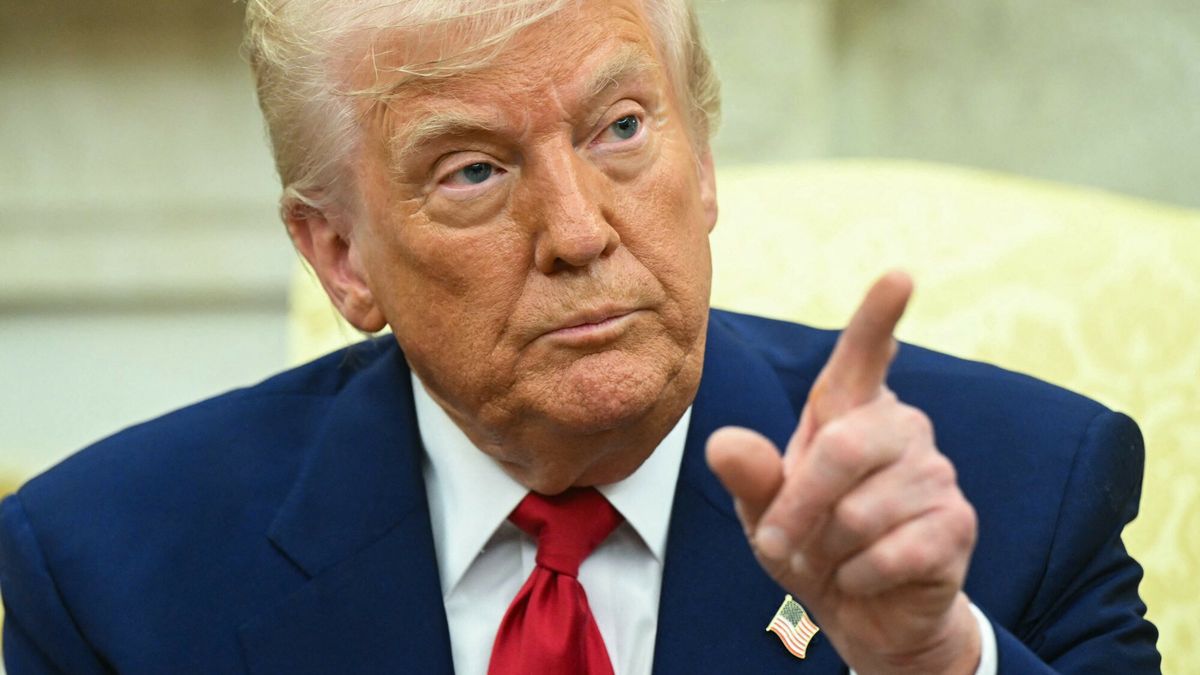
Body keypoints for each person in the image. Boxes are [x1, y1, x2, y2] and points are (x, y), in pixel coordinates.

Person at [0, 1, 1159, 673]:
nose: (577, 231)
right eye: (472, 170)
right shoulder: (111, 574)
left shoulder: (1016, 497)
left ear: (700, 164)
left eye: (618, 129)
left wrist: (932, 658)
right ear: (343, 257)